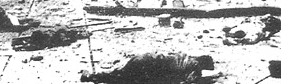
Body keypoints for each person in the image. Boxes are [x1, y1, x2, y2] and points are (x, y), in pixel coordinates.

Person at [80, 52, 214, 84]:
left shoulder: (186, 57)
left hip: (147, 58)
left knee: (121, 74)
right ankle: (90, 77)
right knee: (124, 78)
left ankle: (92, 77)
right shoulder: (195, 65)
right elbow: (191, 80)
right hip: (149, 65)